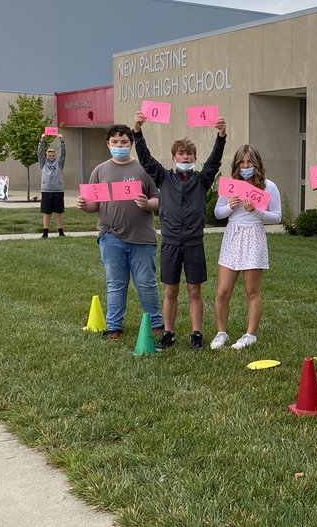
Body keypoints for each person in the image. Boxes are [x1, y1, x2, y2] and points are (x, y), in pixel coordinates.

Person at [134, 111, 227, 350]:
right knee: (171, 290)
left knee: (194, 290)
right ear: (174, 157)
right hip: (171, 242)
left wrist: (221, 136)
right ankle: (169, 332)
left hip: (194, 242)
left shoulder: (202, 180)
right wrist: (137, 131)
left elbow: (214, 161)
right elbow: (145, 159)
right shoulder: (163, 178)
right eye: (181, 154)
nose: (185, 158)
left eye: (189, 155)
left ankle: (196, 333)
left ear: (195, 157)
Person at [76, 124, 163, 341]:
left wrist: (147, 203)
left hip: (142, 237)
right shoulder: (100, 170)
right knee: (115, 283)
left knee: (146, 282)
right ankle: (114, 326)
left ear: (131, 144)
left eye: (124, 142)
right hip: (110, 236)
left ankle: (156, 324)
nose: (119, 146)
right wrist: (84, 205)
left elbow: (159, 201)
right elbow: (93, 206)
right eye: (115, 142)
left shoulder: (144, 169)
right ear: (108, 144)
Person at [210, 145, 281, 351]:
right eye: (242, 162)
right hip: (233, 236)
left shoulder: (269, 186)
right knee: (223, 291)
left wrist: (257, 211)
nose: (245, 166)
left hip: (254, 237)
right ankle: (221, 332)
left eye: (249, 162)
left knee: (252, 291)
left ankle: (250, 334)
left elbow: (277, 216)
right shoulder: (231, 186)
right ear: (236, 165)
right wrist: (230, 206)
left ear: (257, 164)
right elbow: (217, 213)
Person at [38, 134, 67, 238]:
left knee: (58, 212)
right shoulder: (43, 163)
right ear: (46, 156)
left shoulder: (59, 164)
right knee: (47, 212)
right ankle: (45, 232)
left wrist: (62, 141)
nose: (51, 157)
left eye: (53, 155)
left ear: (55, 156)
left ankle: (61, 232)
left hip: (58, 191)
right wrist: (42, 140)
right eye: (49, 156)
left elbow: (63, 154)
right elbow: (40, 153)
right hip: (46, 191)